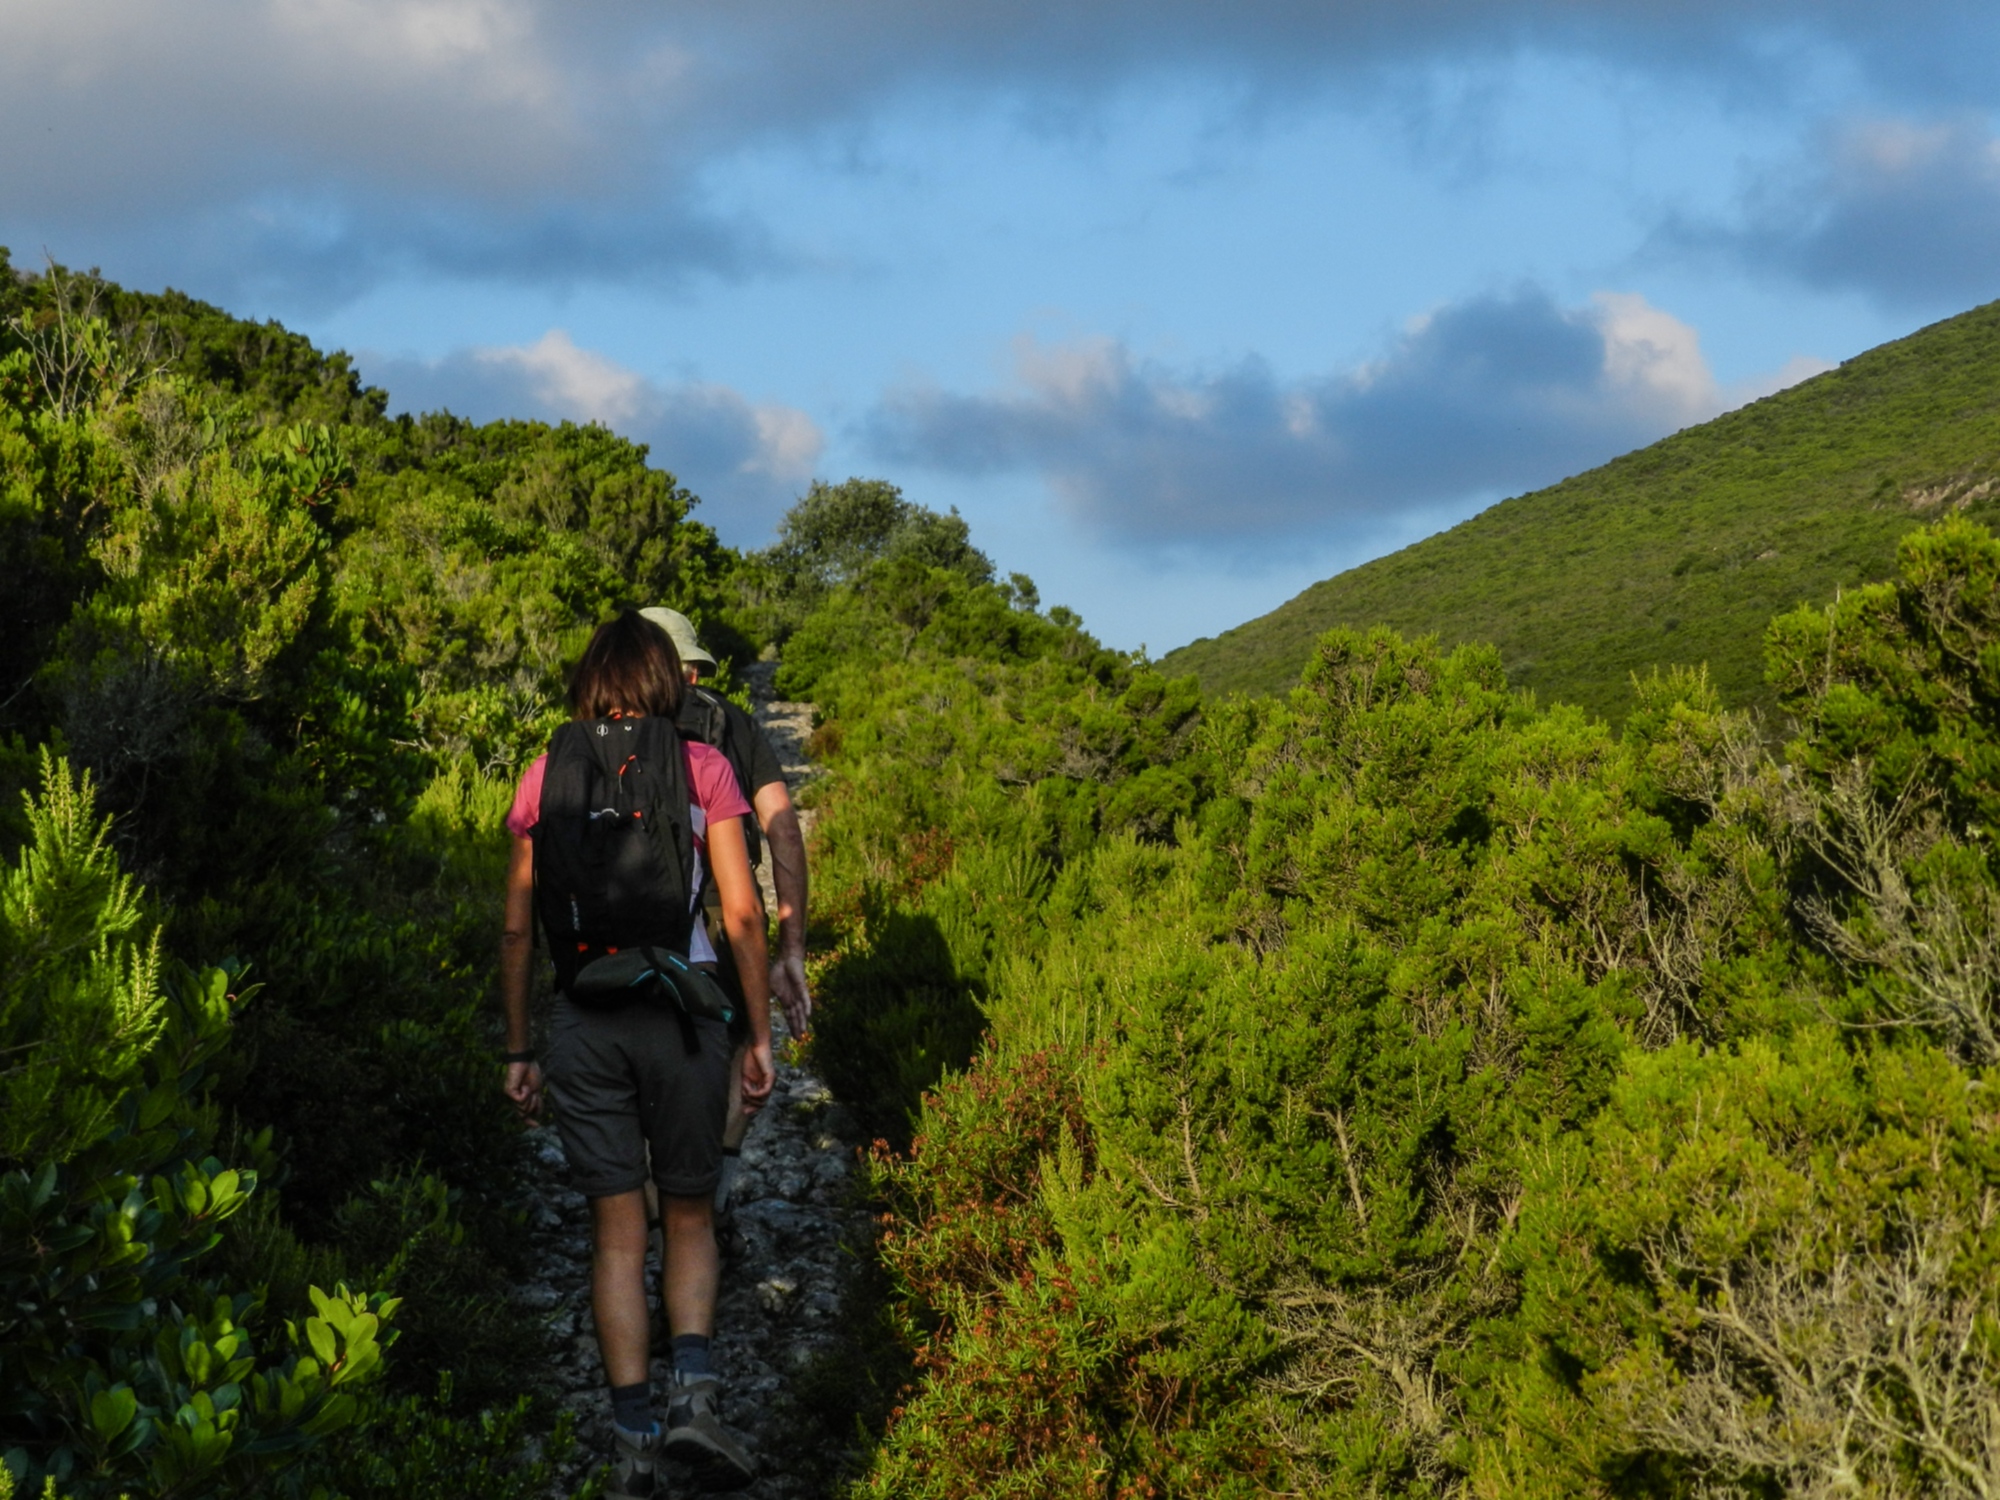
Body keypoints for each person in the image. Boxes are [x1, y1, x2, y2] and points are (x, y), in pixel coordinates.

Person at [500, 611, 767, 1496]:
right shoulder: (704, 767)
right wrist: (758, 1033)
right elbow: (740, 914)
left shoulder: (545, 774)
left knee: (616, 1234)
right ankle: (694, 1396)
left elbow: (515, 928)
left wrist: (520, 1046)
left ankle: (632, 1444)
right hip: (684, 1017)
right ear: (665, 681)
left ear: (585, 684)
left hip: (583, 1017)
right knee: (687, 1213)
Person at [639, 607, 812, 1214]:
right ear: (693, 671)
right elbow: (784, 831)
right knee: (739, 1053)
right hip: (721, 913)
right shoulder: (730, 724)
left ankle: (655, 1218)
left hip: (628, 919)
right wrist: (790, 950)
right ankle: (708, 1207)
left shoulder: (599, 729)